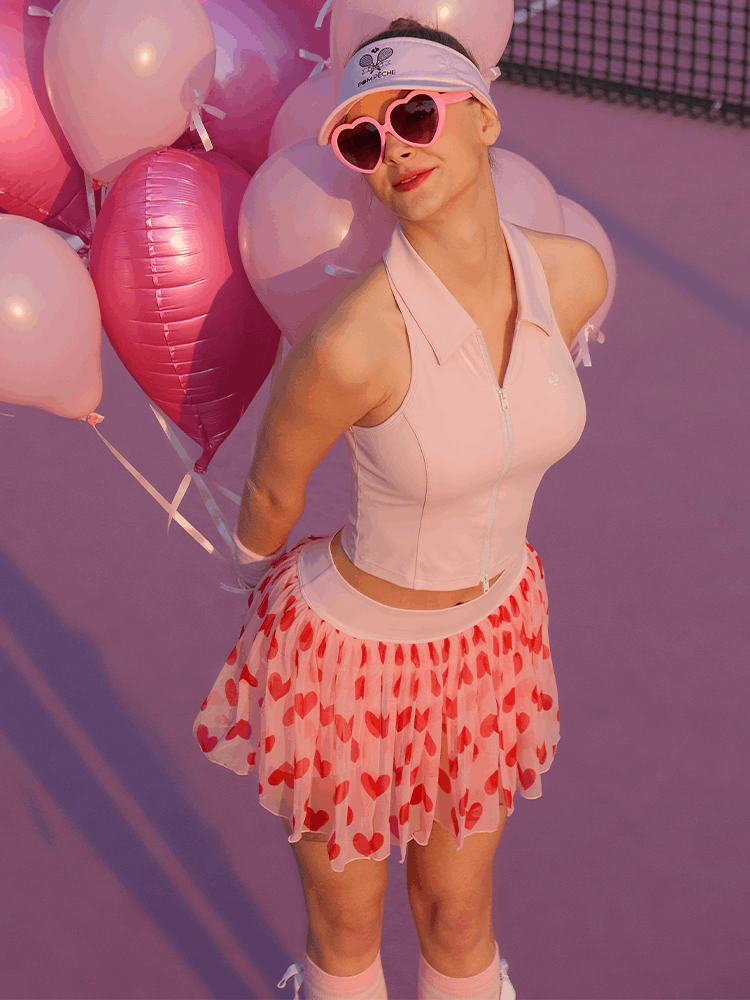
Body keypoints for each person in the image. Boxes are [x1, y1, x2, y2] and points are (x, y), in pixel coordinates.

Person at [194, 15, 608, 1000]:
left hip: (494, 641)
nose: (396, 150)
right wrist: (253, 573)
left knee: (459, 914)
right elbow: (271, 494)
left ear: (484, 119)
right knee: (346, 931)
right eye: (363, 139)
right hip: (346, 666)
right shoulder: (351, 343)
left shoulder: (574, 277)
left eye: (416, 113)